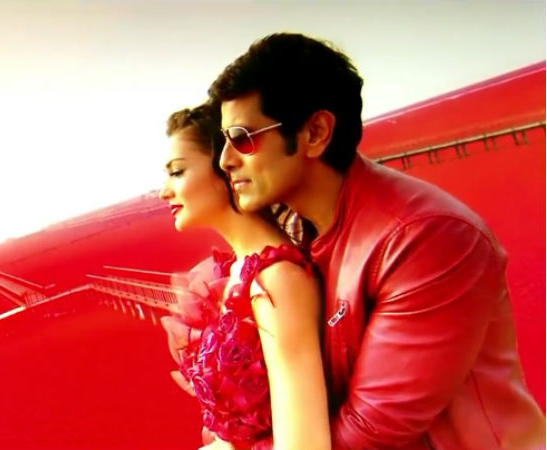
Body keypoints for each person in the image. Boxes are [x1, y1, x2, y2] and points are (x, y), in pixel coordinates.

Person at [208, 32, 546, 450]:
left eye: (243, 137)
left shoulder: (426, 238)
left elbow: (373, 431)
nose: (226, 159)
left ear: (315, 132)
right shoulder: (295, 231)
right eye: (222, 141)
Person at [158, 103, 331, 450]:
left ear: (226, 166)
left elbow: (304, 444)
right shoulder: (238, 273)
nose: (164, 191)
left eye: (177, 172)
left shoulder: (276, 281)